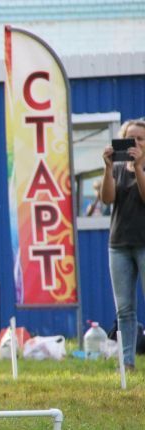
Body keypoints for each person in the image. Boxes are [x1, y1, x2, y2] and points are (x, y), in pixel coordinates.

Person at [100, 118, 145, 372]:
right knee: (125, 308)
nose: (135, 143)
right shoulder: (117, 168)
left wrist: (139, 167)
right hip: (118, 244)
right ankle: (127, 362)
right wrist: (107, 168)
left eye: (140, 138)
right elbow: (107, 199)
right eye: (131, 138)